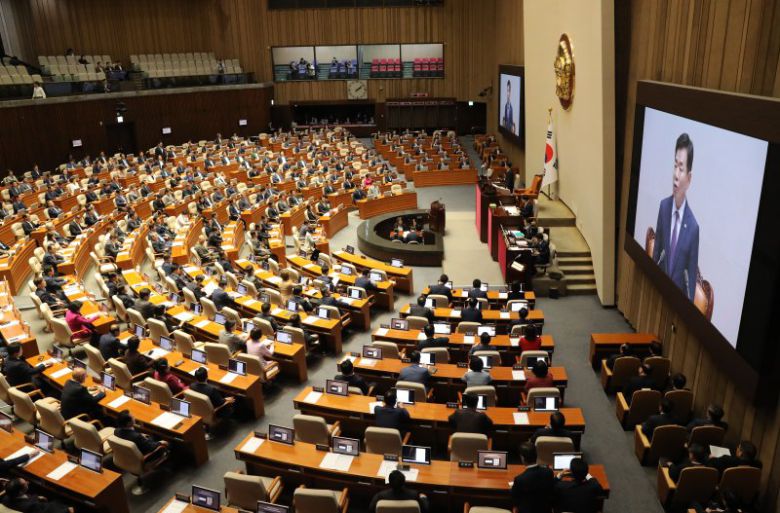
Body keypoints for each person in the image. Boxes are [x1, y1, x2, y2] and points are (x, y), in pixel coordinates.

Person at [652, 133, 699, 300]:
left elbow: (690, 284)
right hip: (657, 296)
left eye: (681, 168)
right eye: (675, 166)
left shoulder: (693, 228)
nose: (676, 175)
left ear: (689, 178)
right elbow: (656, 256)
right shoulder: (664, 207)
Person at [511, 442, 555, 513]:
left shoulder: (520, 479)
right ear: (536, 456)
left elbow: (515, 498)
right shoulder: (549, 472)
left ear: (522, 458)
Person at [3, 478, 74, 513]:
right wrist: (67, 510)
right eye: (25, 484)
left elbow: (24, 498)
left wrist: (37, 497)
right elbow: (49, 510)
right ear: (20, 491)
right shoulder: (32, 506)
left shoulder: (5, 498)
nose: (28, 482)